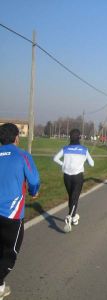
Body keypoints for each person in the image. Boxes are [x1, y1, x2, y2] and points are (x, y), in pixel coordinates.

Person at [0, 123, 40, 299]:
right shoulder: (23, 155)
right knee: (11, 252)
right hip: (12, 214)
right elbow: (34, 180)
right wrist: (34, 191)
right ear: (17, 138)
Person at [54, 129, 94, 233]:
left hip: (67, 176)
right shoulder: (84, 149)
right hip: (78, 177)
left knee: (72, 197)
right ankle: (70, 216)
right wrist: (85, 161)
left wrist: (63, 164)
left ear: (70, 137)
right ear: (79, 137)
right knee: (74, 198)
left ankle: (75, 217)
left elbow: (55, 158)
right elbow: (92, 164)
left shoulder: (65, 148)